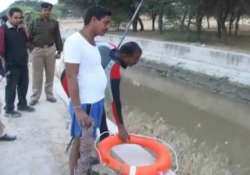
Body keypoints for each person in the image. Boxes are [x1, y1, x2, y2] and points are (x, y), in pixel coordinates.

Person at [63, 6, 112, 175]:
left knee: (87, 141)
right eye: (105, 22)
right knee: (79, 142)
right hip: (85, 105)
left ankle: (83, 169)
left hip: (96, 101)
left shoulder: (92, 43)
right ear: (93, 20)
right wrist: (78, 110)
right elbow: (71, 77)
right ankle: (74, 172)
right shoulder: (75, 41)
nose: (107, 27)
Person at [97, 41, 142, 141]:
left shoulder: (112, 47)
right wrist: (121, 127)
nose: (136, 62)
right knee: (94, 128)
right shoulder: (113, 68)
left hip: (83, 78)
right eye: (135, 59)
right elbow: (115, 101)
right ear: (125, 56)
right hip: (78, 84)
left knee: (102, 127)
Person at [0, 8, 35, 118]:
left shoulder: (21, 29)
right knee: (11, 87)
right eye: (16, 17)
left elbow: (28, 41)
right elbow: (0, 51)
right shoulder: (3, 30)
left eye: (20, 17)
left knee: (24, 85)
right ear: (9, 17)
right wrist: (4, 67)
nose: (18, 20)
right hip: (11, 64)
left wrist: (25, 29)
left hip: (23, 63)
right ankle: (9, 110)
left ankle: (22, 105)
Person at [29, 2, 63, 105]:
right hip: (37, 50)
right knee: (37, 75)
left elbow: (57, 37)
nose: (46, 12)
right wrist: (32, 49)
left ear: (50, 11)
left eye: (48, 10)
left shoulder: (54, 23)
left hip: (50, 50)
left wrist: (59, 51)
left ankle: (49, 94)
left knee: (50, 73)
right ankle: (35, 96)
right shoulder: (34, 22)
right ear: (41, 10)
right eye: (44, 10)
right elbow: (28, 38)